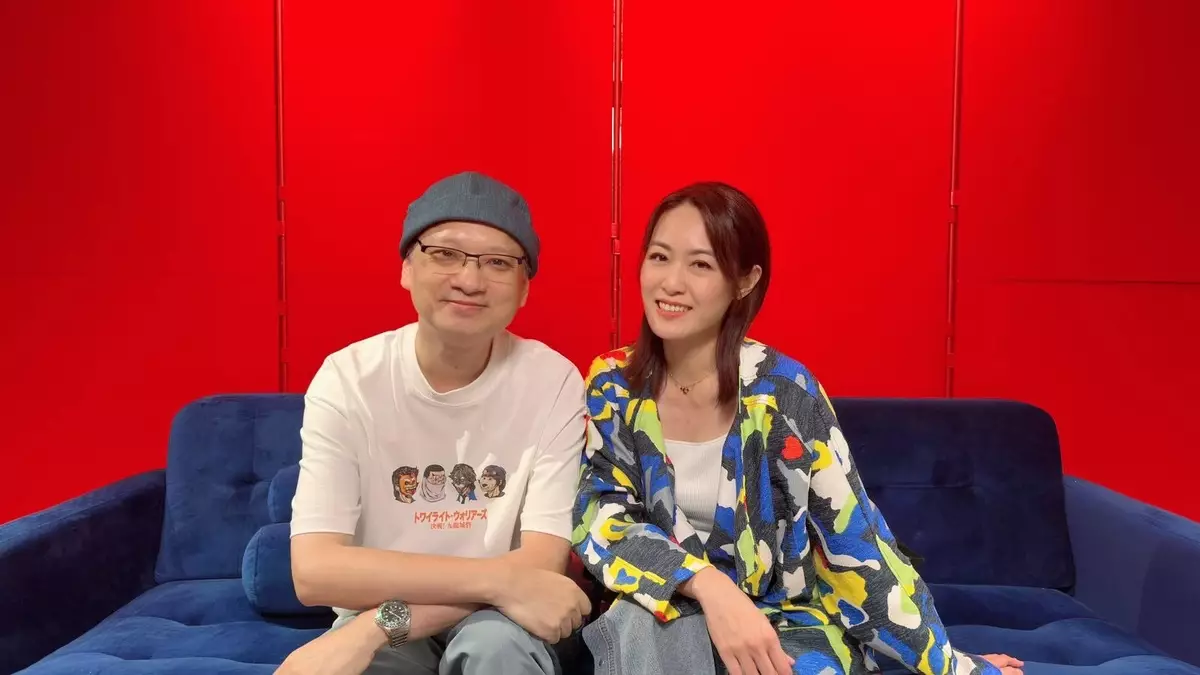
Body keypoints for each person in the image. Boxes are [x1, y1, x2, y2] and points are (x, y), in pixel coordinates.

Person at [572, 182, 1025, 675]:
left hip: (783, 621)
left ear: (744, 281)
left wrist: (950, 664)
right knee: (640, 626)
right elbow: (601, 517)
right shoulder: (613, 384)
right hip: (665, 609)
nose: (671, 282)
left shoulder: (786, 392)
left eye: (700, 264)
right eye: (659, 257)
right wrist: (708, 585)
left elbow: (854, 542)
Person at [278, 171, 592, 675]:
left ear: (524, 287)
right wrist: (498, 580)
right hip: (410, 610)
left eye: (497, 262)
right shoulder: (349, 379)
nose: (469, 280)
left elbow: (540, 568)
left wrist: (376, 626)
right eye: (445, 254)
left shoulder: (552, 381)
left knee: (495, 648)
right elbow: (315, 571)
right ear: (406, 267)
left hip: (503, 620)